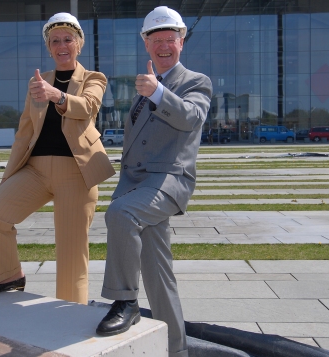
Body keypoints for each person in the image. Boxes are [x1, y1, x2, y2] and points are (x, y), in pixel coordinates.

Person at [95, 6, 212, 357]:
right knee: (160, 277)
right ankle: (176, 351)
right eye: (156, 39)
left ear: (182, 42)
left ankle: (125, 301)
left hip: (169, 182)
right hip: (138, 184)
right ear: (146, 44)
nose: (164, 46)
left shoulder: (195, 82)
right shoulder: (145, 86)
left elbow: (191, 117)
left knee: (120, 216)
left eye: (170, 40)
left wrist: (158, 94)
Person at [0, 12, 115, 305]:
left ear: (79, 45)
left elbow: (88, 107)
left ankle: (69, 316)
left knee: (70, 253)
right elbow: (24, 132)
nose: (61, 45)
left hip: (77, 172)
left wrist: (57, 96)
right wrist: (8, 178)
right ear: (49, 47)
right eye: (55, 41)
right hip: (36, 170)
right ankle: (8, 277)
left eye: (68, 40)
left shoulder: (94, 78)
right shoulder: (38, 82)